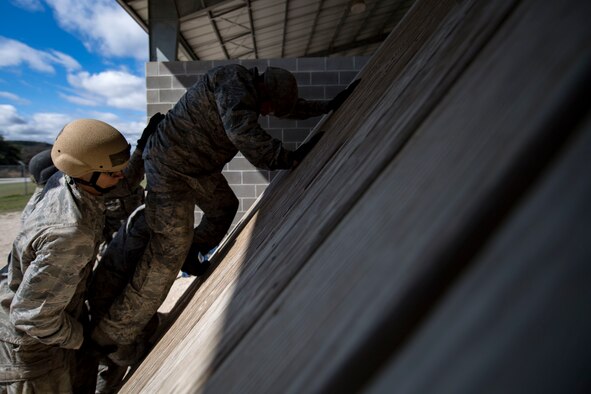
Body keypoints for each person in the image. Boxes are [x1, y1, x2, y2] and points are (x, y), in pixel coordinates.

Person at [90, 64, 360, 360]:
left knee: (224, 207)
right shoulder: (234, 83)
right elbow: (241, 130)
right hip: (169, 166)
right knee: (168, 253)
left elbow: (287, 107)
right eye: (267, 108)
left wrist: (329, 105)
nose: (267, 113)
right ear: (263, 92)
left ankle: (194, 251)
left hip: (198, 167)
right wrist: (285, 157)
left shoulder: (254, 92)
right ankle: (114, 332)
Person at [0, 119, 131, 393]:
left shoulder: (65, 179)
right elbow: (31, 316)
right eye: (112, 173)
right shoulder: (70, 234)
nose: (121, 176)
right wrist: (82, 339)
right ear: (83, 171)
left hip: (51, 333)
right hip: (32, 355)